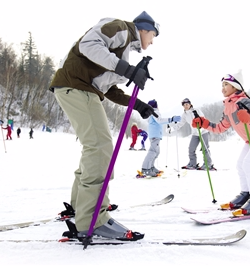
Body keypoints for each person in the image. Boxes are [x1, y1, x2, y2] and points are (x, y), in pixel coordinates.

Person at [49, 11, 159, 241]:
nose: (153, 40)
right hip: (78, 87)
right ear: (145, 28)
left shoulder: (124, 48)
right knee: (100, 148)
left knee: (94, 148)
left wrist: (138, 105)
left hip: (79, 88)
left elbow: (107, 88)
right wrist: (127, 70)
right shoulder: (122, 29)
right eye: (153, 35)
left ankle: (81, 207)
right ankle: (92, 219)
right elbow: (88, 44)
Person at [192, 70, 250, 215]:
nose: (222, 88)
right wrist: (203, 123)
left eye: (226, 84)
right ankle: (247, 193)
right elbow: (220, 128)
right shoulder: (228, 106)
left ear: (235, 86)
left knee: (249, 163)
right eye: (222, 85)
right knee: (240, 165)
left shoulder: (243, 100)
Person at [172, 98, 216, 170]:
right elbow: (180, 124)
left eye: (187, 104)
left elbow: (203, 119)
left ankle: (208, 164)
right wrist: (173, 128)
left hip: (203, 131)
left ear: (190, 104)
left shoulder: (196, 111)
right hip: (195, 133)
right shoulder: (184, 115)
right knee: (191, 149)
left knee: (205, 148)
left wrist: (201, 128)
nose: (186, 106)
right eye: (184, 105)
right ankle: (193, 164)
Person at [141, 99, 181, 176]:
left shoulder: (151, 113)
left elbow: (159, 121)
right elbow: (160, 120)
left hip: (156, 135)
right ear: (155, 106)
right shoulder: (154, 112)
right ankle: (145, 168)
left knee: (156, 152)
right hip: (155, 135)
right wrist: (171, 119)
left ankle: (151, 167)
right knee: (153, 152)